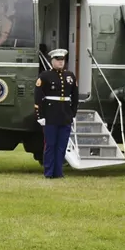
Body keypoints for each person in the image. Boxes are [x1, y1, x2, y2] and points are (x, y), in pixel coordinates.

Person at [33, 48, 78, 179]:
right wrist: (40, 116)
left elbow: (74, 96)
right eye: (58, 60)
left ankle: (58, 172)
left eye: (62, 60)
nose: (60, 62)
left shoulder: (70, 76)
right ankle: (49, 172)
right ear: (52, 61)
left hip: (65, 115)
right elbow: (38, 97)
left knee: (62, 146)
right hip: (50, 115)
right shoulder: (45, 76)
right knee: (50, 145)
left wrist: (72, 113)